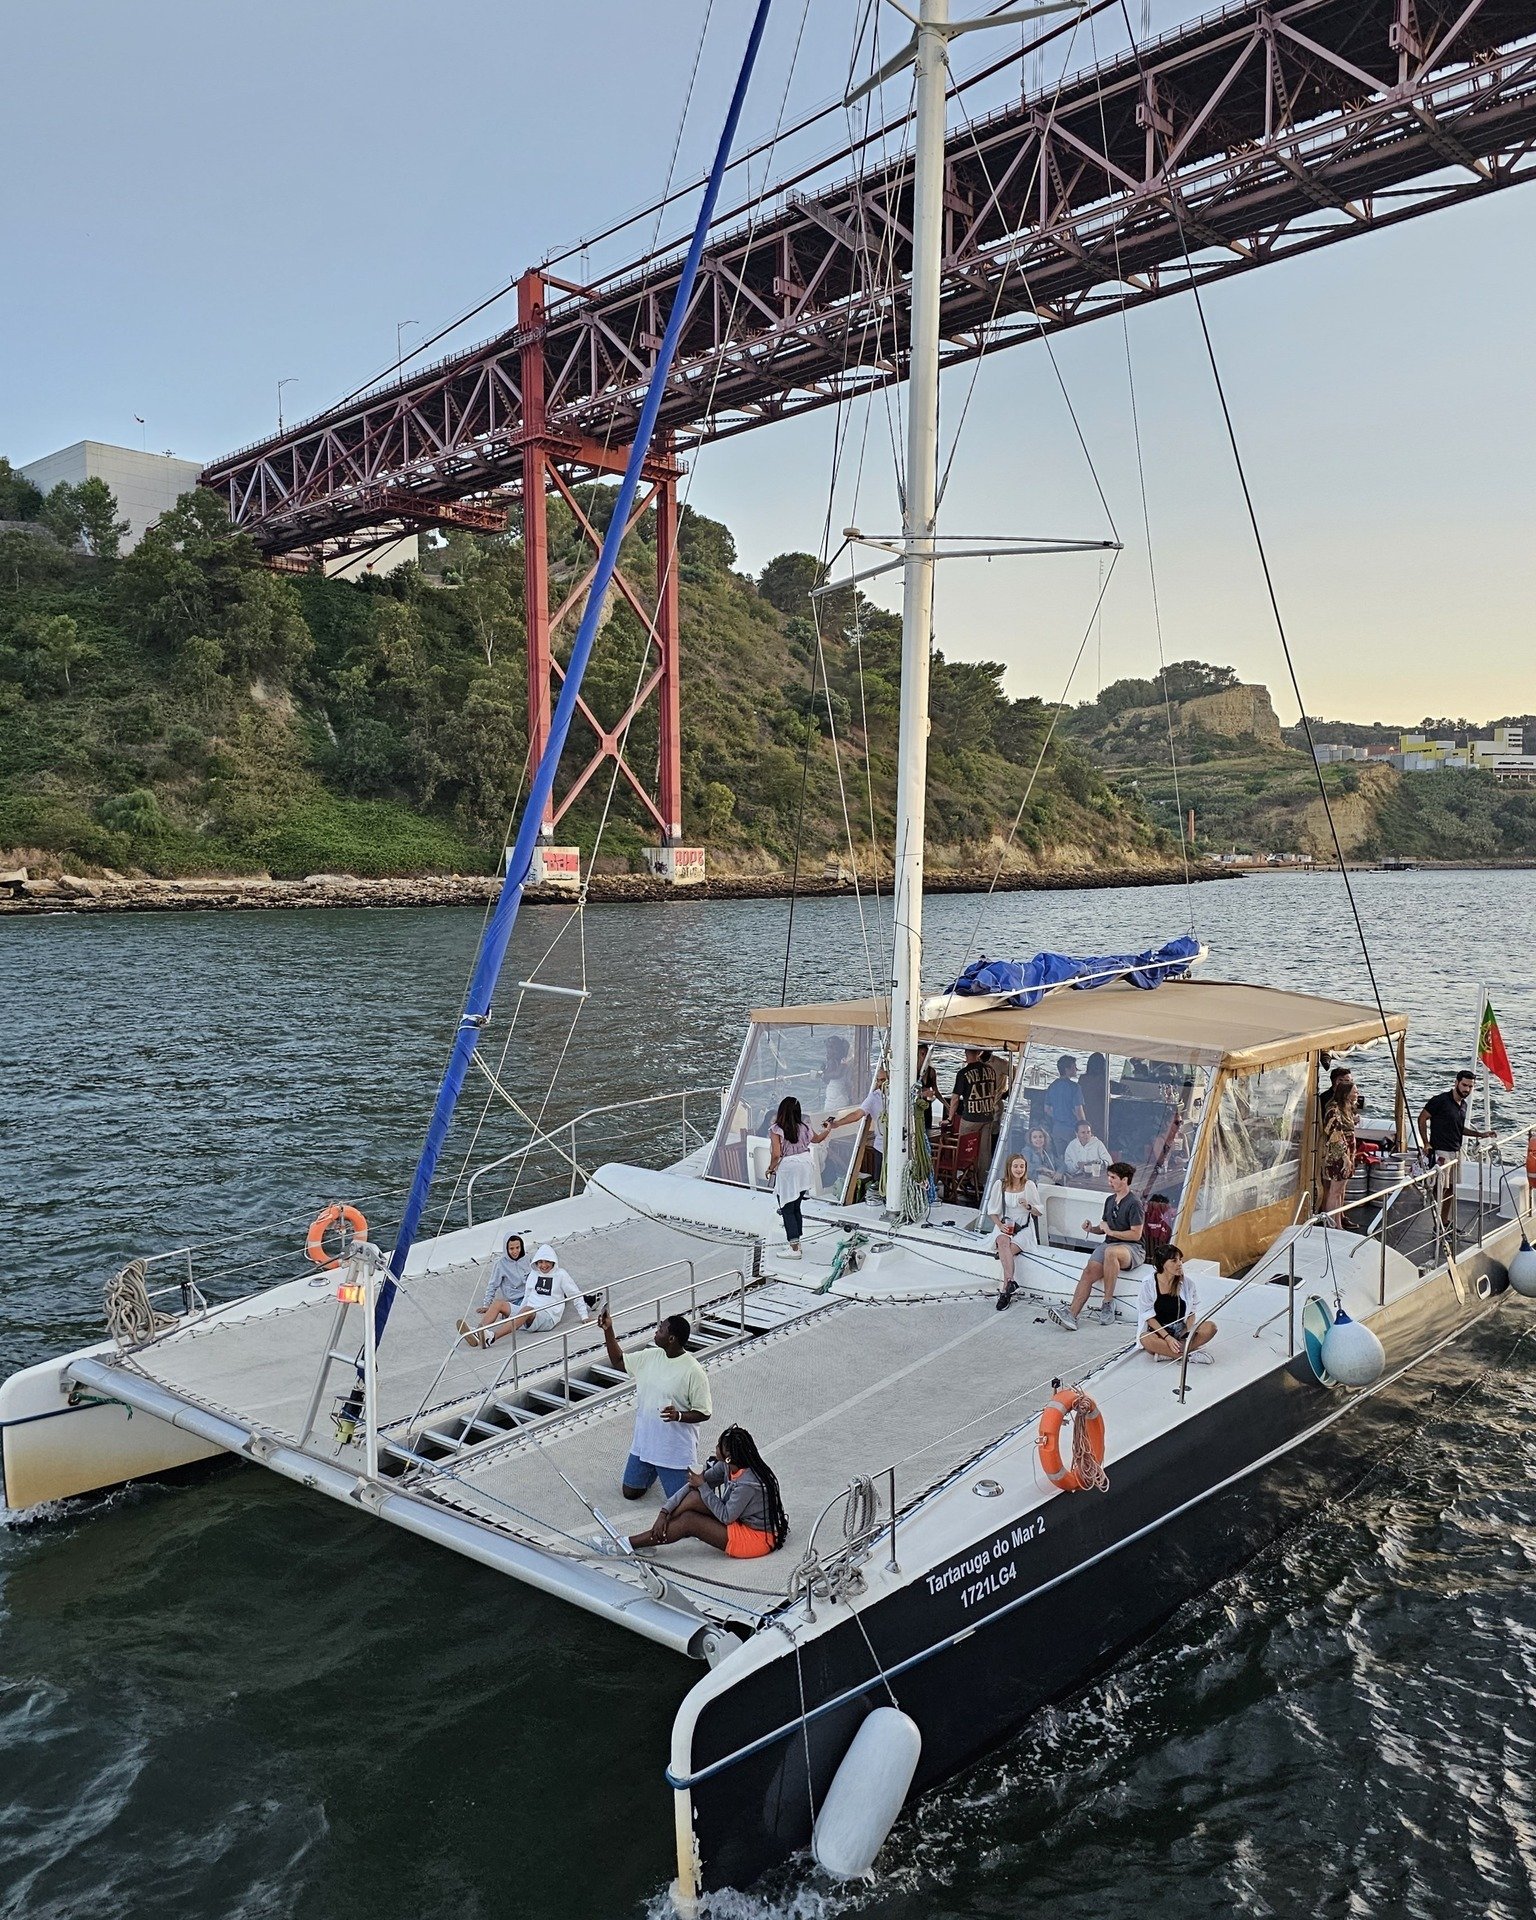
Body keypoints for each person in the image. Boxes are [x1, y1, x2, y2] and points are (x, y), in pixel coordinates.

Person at [598, 1306, 713, 1501]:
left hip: (673, 1450)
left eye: (661, 1330)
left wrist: (678, 1415)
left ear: (671, 1339)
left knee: (681, 1502)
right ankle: (655, 1470)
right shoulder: (649, 1356)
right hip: (646, 1443)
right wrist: (608, 1329)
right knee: (630, 1492)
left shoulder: (693, 1371)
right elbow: (618, 1360)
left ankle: (679, 1472)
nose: (656, 1331)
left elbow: (704, 1412)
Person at [626, 1424, 789, 1558]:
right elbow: (692, 1486)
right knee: (693, 1497)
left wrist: (703, 1485)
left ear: (729, 1456)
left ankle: (632, 1543)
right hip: (739, 1520)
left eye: (719, 1446)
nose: (716, 1447)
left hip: (756, 1538)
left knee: (689, 1521)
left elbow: (726, 1517)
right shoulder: (726, 1466)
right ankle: (654, 1535)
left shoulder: (748, 1484)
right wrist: (664, 1512)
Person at [1049, 1161, 1144, 1331]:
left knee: (1110, 1253)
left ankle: (1108, 1303)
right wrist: (1091, 1229)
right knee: (1088, 1272)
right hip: (1110, 1243)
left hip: (1132, 1248)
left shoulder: (1134, 1203)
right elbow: (1104, 1228)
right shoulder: (1109, 1200)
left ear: (1124, 1179)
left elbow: (1136, 1234)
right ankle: (1072, 1314)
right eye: (1109, 1177)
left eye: (1113, 1178)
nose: (1109, 1181)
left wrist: (1111, 1233)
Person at [459, 1241, 589, 1347]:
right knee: (499, 1304)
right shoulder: (534, 1274)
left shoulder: (561, 1275)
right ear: (537, 1262)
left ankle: (492, 1338)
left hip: (547, 1316)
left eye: (547, 1262)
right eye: (540, 1262)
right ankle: (478, 1332)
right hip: (528, 1312)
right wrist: (518, 1313)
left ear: (553, 1261)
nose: (543, 1265)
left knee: (527, 1310)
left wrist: (584, 1317)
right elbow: (527, 1295)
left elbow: (575, 1294)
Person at [1418, 1069, 1490, 1228]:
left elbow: (1459, 1128)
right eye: (1464, 1085)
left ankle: (1443, 1222)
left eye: (1471, 1086)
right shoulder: (1440, 1100)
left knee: (1451, 1189)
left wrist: (1480, 1134)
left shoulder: (1463, 1105)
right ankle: (1436, 1224)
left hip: (1456, 1150)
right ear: (1456, 1082)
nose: (1467, 1089)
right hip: (1441, 1151)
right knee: (1440, 1189)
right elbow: (1422, 1118)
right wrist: (1426, 1143)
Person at [768, 1095, 833, 1257]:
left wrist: (770, 1168)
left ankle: (794, 1248)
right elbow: (817, 1140)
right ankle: (797, 1243)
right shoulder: (804, 1126)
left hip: (789, 1167)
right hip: (806, 1164)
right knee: (796, 1206)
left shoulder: (776, 1129)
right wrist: (828, 1128)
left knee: (786, 1208)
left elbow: (776, 1154)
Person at [1137, 1244, 1215, 1364]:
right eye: (1174, 1261)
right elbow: (1147, 1315)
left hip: (1181, 1330)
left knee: (1210, 1327)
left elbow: (1191, 1312)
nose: (1179, 1264)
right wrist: (1167, 1338)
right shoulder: (1148, 1283)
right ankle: (1188, 1356)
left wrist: (1188, 1333)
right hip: (1160, 1332)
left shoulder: (1188, 1284)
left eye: (1180, 1260)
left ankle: (1168, 1354)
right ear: (1163, 1264)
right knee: (1145, 1338)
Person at [990, 1152, 1044, 1310]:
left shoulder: (1029, 1185)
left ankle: (1006, 1290)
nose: (1019, 1169)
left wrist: (1028, 1206)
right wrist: (1000, 1225)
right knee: (1002, 1240)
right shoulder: (1000, 1185)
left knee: (1004, 1253)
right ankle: (1010, 1284)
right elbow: (992, 1211)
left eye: (1022, 1166)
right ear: (1009, 1167)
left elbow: (1039, 1212)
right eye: (1016, 1166)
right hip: (1005, 1226)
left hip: (1024, 1229)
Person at [460, 1231, 531, 1341]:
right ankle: (478, 1331)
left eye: (518, 1247)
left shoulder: (528, 1259)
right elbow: (492, 1285)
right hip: (514, 1302)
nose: (515, 1251)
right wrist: (486, 1305)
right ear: (506, 1249)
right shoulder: (500, 1264)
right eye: (511, 1249)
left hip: (529, 1300)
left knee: (522, 1312)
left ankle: (484, 1334)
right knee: (497, 1304)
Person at [830, 1067, 887, 1195]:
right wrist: (838, 1123)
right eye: (878, 1080)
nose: (880, 1083)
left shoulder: (901, 1096)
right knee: (879, 1181)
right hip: (880, 1146)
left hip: (899, 1146)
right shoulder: (873, 1097)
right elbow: (857, 1114)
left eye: (883, 1080)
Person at [1318, 1067, 1361, 1223]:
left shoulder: (1346, 1108)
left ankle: (1338, 1220)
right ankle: (1330, 1223)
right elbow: (1335, 1135)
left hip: (1348, 1152)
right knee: (1334, 1190)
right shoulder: (1333, 1109)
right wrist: (1344, 1157)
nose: (1357, 1094)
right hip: (1338, 1154)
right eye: (1354, 1091)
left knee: (1341, 1189)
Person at [949, 1047, 1004, 1168]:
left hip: (971, 1117)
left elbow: (955, 1098)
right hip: (987, 1116)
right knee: (984, 1151)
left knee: (966, 1148)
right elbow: (993, 1092)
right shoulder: (990, 1070)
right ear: (979, 1053)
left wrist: (949, 1118)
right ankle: (982, 1180)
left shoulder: (963, 1073)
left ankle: (964, 1175)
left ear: (965, 1053)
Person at [1042, 1055, 1085, 1156]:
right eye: (1074, 1067)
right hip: (1071, 1129)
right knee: (1076, 1158)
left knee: (1061, 1158)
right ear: (1067, 1069)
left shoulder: (1052, 1086)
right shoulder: (1075, 1087)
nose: (1076, 1069)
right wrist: (1084, 1128)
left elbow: (1047, 1109)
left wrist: (1058, 1114)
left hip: (1057, 1128)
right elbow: (1079, 1111)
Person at [1063, 1119, 1113, 1184]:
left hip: (1096, 1179)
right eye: (1083, 1132)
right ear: (1076, 1133)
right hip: (1076, 1179)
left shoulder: (1097, 1143)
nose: (1086, 1135)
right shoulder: (1071, 1146)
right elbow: (1067, 1168)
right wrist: (1077, 1164)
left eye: (1088, 1132)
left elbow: (1110, 1163)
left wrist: (1098, 1162)